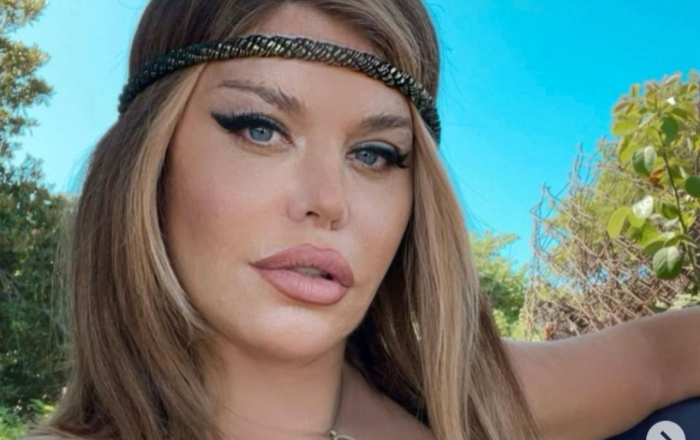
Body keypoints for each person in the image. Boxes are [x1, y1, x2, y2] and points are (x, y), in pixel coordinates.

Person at [21, 1, 700, 439]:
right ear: (149, 159)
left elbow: (659, 356)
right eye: (261, 129)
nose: (328, 200)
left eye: (374, 154)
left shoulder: (471, 402)